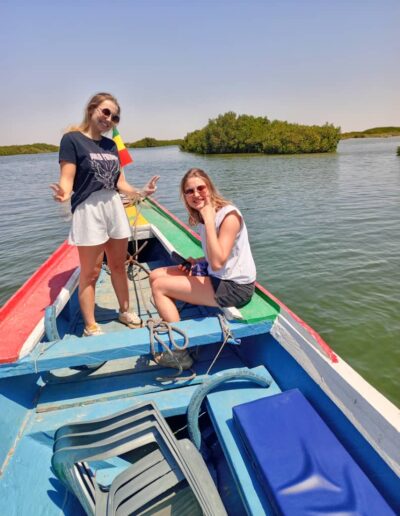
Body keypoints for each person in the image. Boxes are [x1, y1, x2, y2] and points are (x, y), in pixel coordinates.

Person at [51, 92, 160, 336]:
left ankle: (124, 310)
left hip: (113, 206)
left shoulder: (111, 145)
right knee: (91, 271)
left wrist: (141, 191)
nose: (109, 119)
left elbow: (120, 182)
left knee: (119, 265)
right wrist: (63, 194)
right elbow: (66, 180)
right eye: (106, 112)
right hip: (89, 209)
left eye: (115, 117)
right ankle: (91, 325)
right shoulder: (72, 140)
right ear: (92, 110)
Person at [150, 168, 256, 324]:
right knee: (155, 275)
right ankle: (171, 310)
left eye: (201, 188)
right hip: (216, 275)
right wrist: (198, 261)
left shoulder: (229, 216)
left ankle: (180, 343)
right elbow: (216, 255)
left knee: (159, 287)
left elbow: (218, 263)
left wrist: (209, 221)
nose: (196, 194)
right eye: (190, 191)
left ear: (210, 188)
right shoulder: (203, 215)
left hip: (234, 287)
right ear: (185, 196)